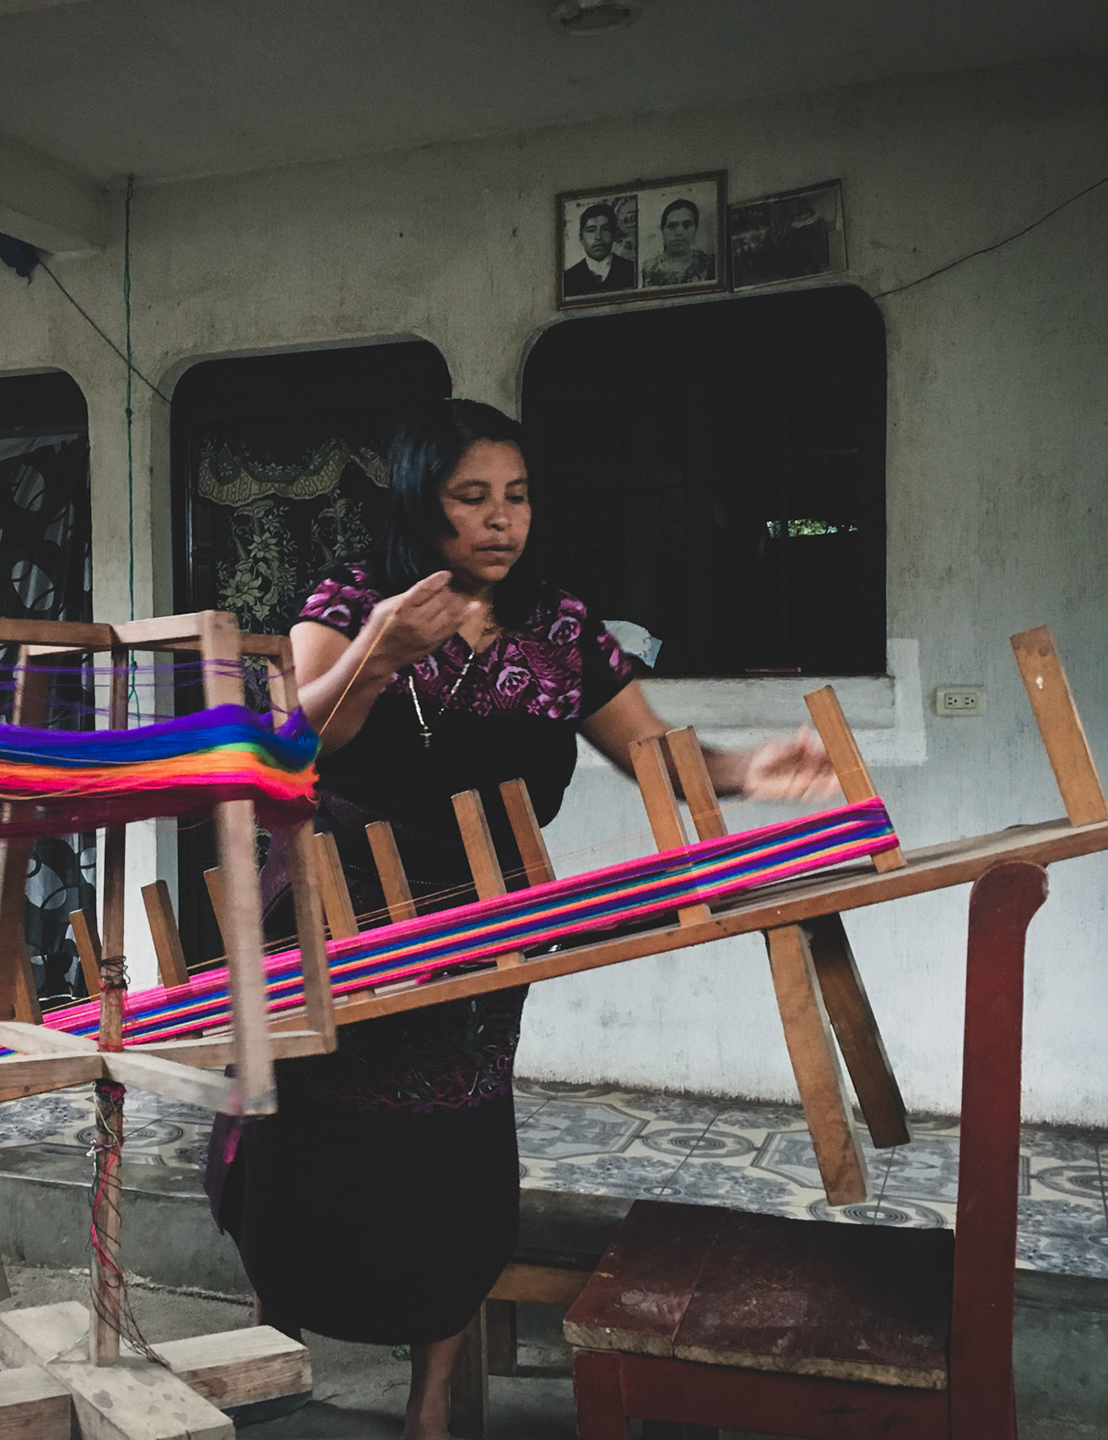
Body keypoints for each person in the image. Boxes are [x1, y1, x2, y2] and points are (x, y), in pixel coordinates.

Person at [206, 400, 836, 1440]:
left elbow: (651, 751)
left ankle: (428, 1407)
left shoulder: (560, 629)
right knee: (305, 1151)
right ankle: (277, 1363)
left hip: (486, 922)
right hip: (342, 915)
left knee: (451, 1151)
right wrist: (379, 646)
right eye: (471, 499)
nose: (500, 521)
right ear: (422, 502)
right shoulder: (355, 601)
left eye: (517, 496)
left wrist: (743, 769)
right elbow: (294, 743)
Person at [641, 196, 719, 287]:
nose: (679, 233)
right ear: (662, 230)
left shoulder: (709, 263)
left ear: (695, 229)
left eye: (687, 225)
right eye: (672, 226)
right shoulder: (649, 268)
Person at [562, 201, 635, 297]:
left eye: (605, 229)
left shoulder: (631, 270)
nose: (598, 237)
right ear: (581, 237)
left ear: (613, 234)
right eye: (591, 230)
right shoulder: (568, 279)